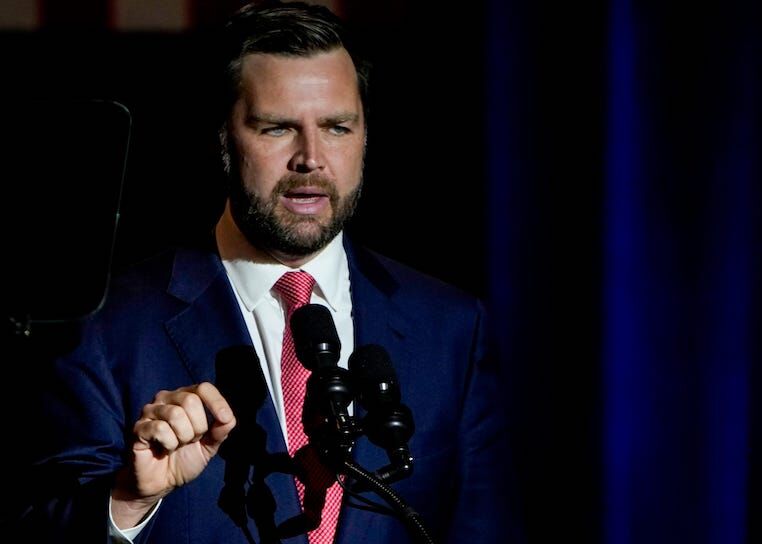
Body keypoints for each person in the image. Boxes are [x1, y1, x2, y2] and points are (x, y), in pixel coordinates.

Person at [19, 2, 523, 543]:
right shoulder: (107, 325)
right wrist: (128, 499)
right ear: (222, 140)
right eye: (278, 128)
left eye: (336, 127)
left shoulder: (451, 328)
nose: (311, 158)